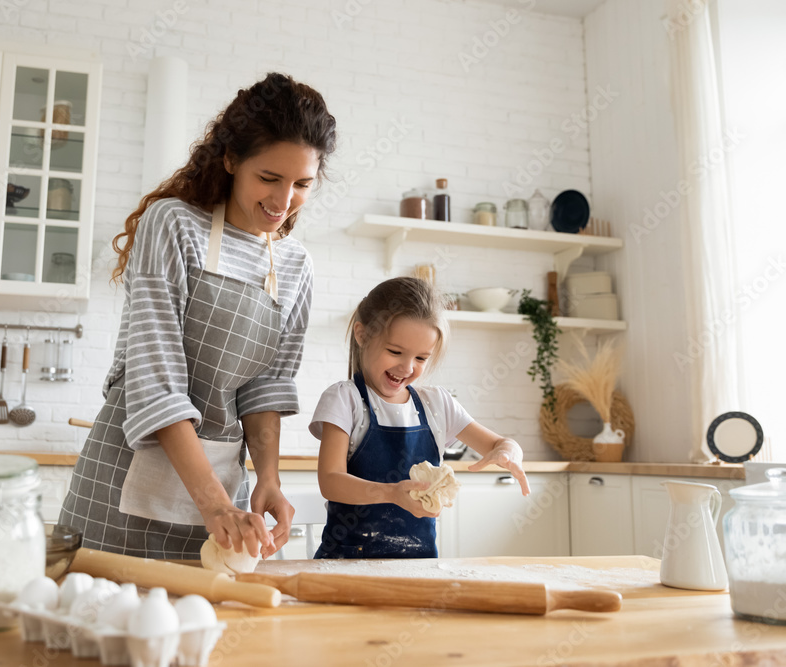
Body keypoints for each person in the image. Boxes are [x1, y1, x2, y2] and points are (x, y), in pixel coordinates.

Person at [58, 73, 336, 561]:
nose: (283, 201)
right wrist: (214, 505)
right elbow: (156, 379)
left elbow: (265, 386)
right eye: (269, 178)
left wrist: (268, 479)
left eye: (302, 184)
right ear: (230, 160)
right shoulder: (173, 224)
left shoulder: (296, 266)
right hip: (125, 485)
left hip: (223, 493)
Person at [310, 277, 531, 559]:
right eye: (395, 352)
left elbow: (500, 443)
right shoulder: (345, 399)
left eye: (422, 358)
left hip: (418, 564)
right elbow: (330, 481)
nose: (407, 367)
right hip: (347, 564)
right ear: (362, 334)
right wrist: (392, 493)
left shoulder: (436, 404)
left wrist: (508, 452)